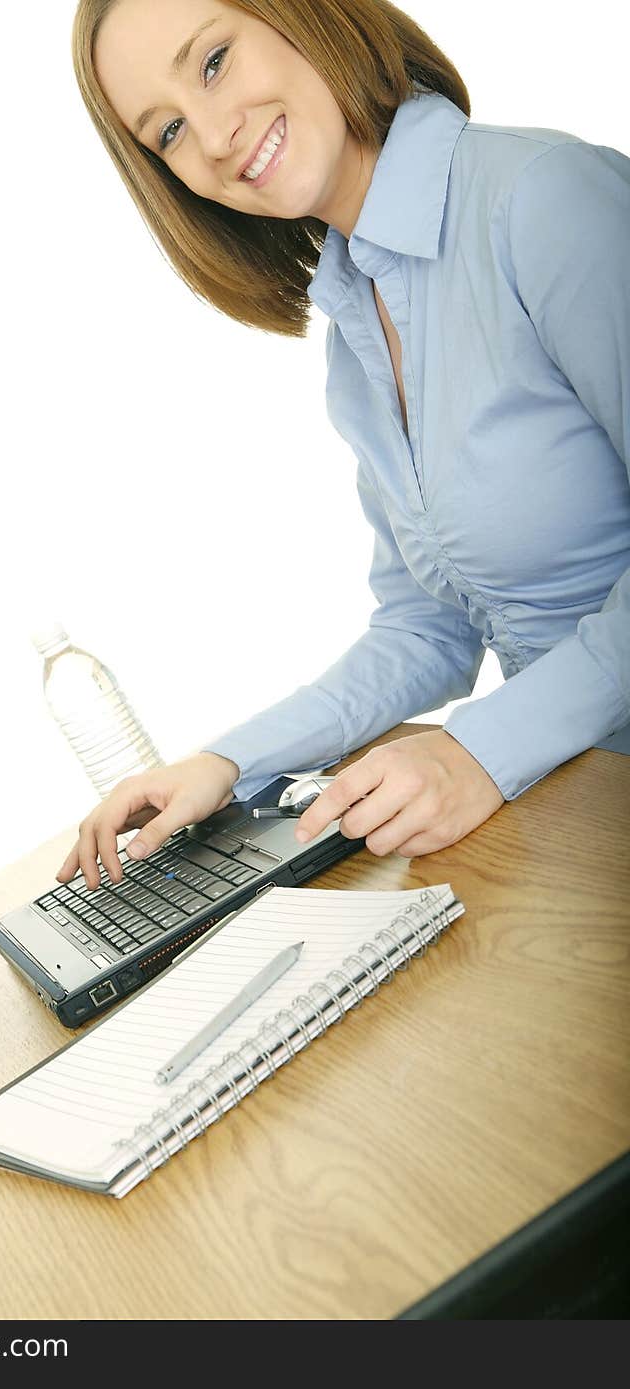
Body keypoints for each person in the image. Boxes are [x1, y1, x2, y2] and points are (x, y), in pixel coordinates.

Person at [58, 0, 630, 892]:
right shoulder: (355, 327)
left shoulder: (545, 199)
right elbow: (428, 629)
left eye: (213, 63)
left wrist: (481, 751)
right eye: (167, 131)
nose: (211, 138)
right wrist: (223, 762)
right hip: (581, 807)